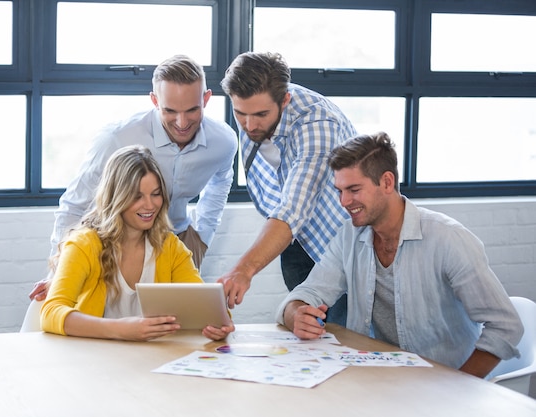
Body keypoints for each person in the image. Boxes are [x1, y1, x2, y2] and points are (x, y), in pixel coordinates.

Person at [276, 131, 523, 378]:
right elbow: (308, 292)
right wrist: (295, 313)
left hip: (444, 384)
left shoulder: (448, 239)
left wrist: (460, 384)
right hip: (384, 378)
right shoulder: (349, 237)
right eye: (339, 191)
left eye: (353, 189)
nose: (343, 201)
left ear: (386, 182)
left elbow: (505, 326)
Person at [29, 54, 238, 301]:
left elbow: (221, 183)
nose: (182, 123)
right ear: (154, 100)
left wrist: (201, 237)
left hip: (178, 242)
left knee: (182, 323)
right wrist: (59, 272)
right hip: (118, 243)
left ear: (206, 99)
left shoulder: (223, 141)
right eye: (170, 110)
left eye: (192, 110)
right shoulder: (117, 138)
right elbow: (75, 205)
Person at [40, 145, 235, 342]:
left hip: (151, 360)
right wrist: (120, 329)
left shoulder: (170, 247)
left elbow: (205, 306)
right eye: (137, 196)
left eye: (156, 194)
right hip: (94, 360)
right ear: (117, 197)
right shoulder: (84, 245)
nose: (150, 205)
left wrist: (218, 323)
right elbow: (51, 313)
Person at [218, 51, 356, 325]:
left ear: (285, 100)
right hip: (293, 241)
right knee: (307, 331)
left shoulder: (318, 123)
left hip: (339, 244)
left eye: (260, 114)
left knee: (343, 333)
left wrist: (243, 270)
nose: (249, 125)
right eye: (240, 113)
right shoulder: (251, 107)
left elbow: (294, 207)